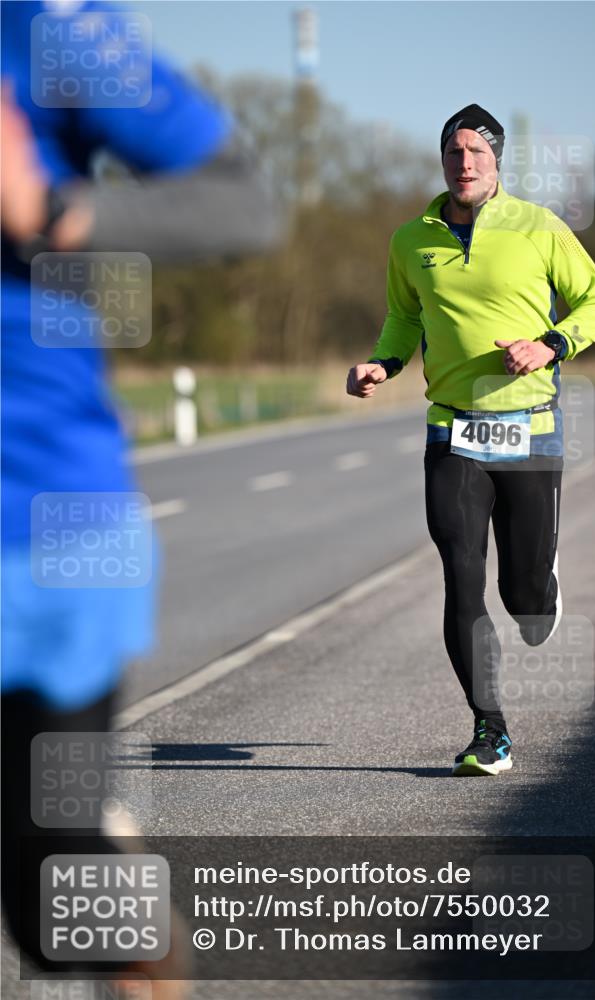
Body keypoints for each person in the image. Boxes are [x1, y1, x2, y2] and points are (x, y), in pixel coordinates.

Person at [1, 0, 281, 993]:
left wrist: (50, 211)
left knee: (51, 902)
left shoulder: (47, 26)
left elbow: (242, 203)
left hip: (42, 518)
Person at [346, 103, 595, 776]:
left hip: (529, 430)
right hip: (453, 432)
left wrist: (549, 345)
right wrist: (384, 362)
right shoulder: (412, 238)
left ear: (496, 163)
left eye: (476, 153)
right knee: (460, 575)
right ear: (441, 160)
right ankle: (488, 729)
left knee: (521, 601)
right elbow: (404, 317)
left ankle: (539, 585)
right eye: (453, 152)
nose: (463, 163)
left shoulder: (538, 227)